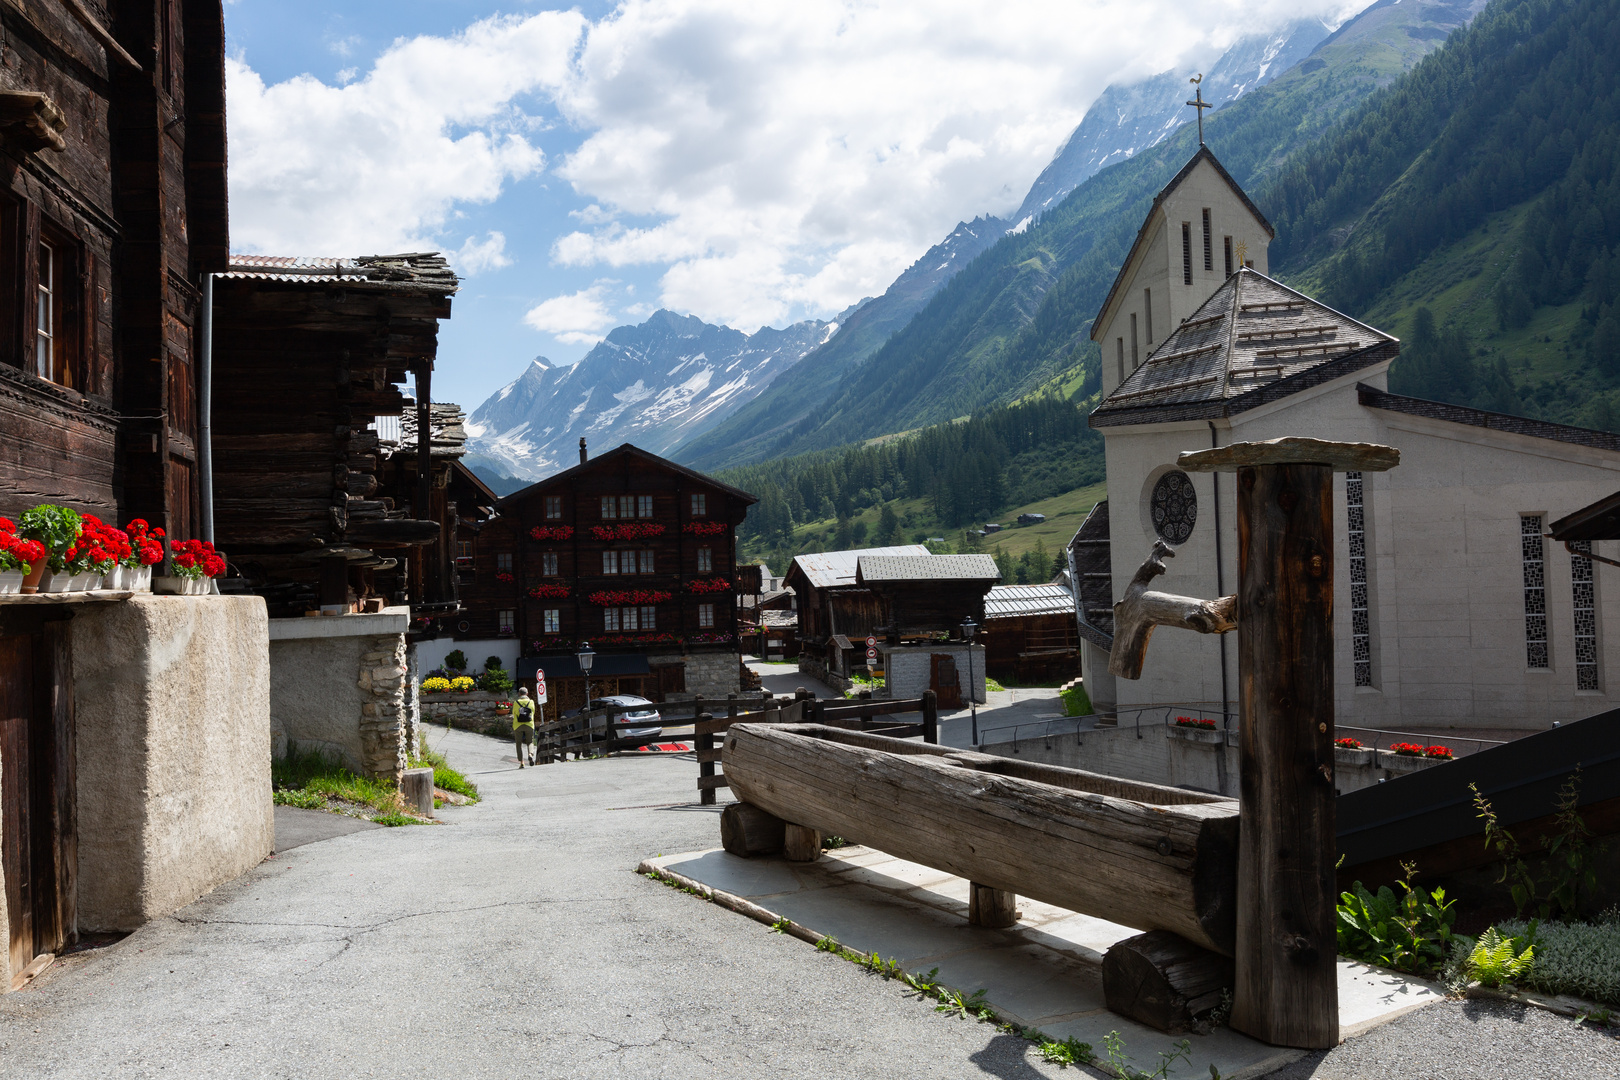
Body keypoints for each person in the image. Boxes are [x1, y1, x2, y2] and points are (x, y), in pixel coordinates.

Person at [513, 687, 538, 767]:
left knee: (518, 743)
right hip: (529, 724)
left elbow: (514, 713)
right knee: (530, 741)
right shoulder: (531, 702)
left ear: (519, 694)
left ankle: (522, 762)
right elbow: (533, 712)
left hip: (518, 725)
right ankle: (530, 754)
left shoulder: (516, 702)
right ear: (527, 693)